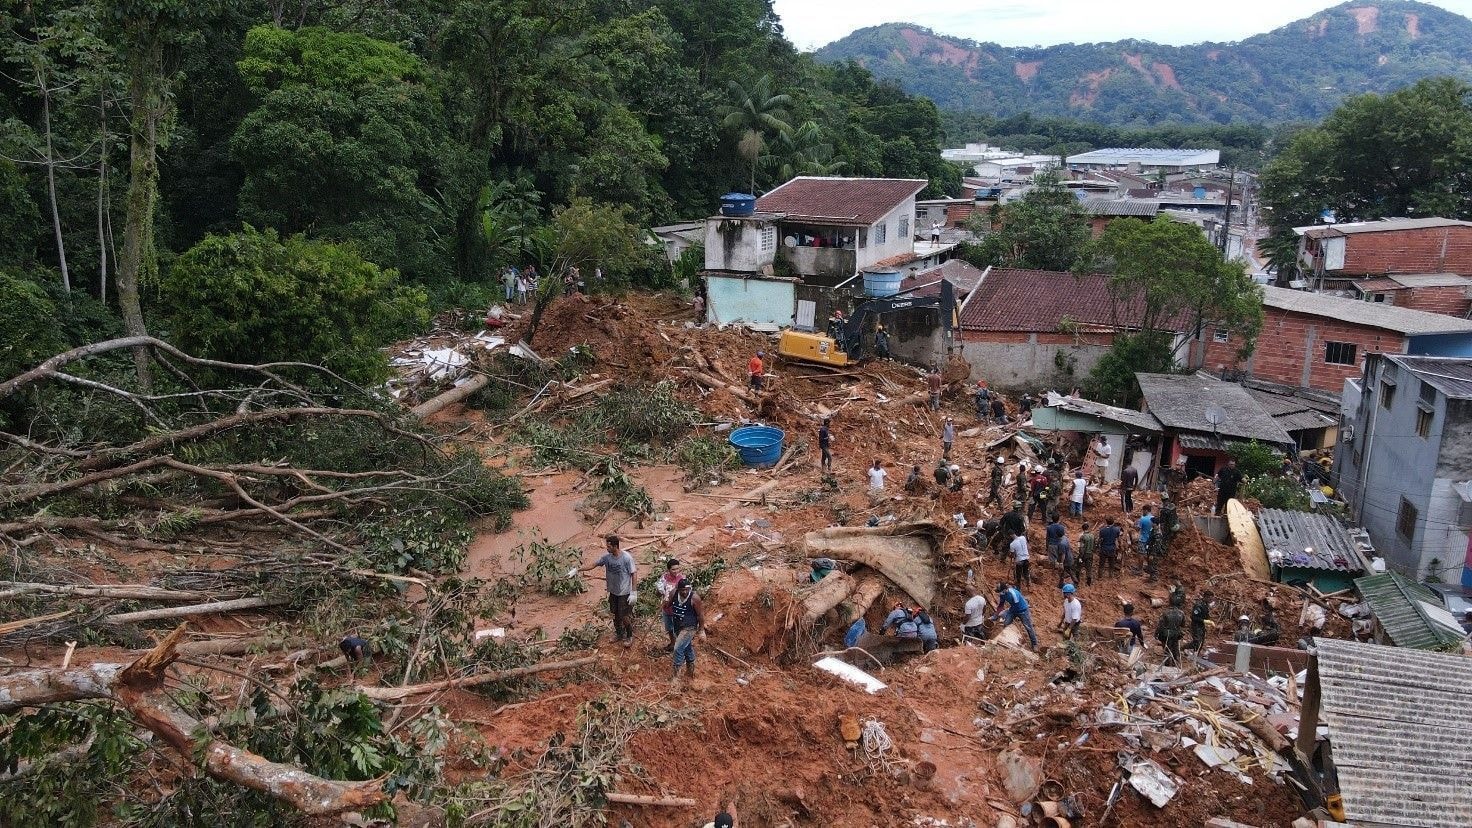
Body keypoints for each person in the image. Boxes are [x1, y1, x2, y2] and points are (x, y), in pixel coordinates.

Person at [582, 534, 637, 646]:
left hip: (624, 592)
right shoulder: (607, 558)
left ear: (615, 546)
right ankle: (619, 634)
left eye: (608, 546)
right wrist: (577, 570)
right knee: (615, 613)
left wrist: (634, 592)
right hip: (613, 591)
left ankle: (630, 636)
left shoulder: (626, 558)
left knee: (624, 615)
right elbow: (594, 564)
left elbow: (633, 573)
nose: (606, 548)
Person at [668, 578, 704, 683]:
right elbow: (668, 605)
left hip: (690, 627)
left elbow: (700, 615)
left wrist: (701, 630)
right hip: (677, 625)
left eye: (686, 590)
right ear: (678, 589)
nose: (684, 592)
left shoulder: (695, 598)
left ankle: (676, 676)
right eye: (682, 590)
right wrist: (665, 600)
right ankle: (690, 671)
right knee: (686, 646)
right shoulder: (674, 593)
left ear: (689, 588)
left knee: (678, 647)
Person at [991, 582, 1038, 649]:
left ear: (1004, 590)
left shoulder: (1014, 594)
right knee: (1006, 623)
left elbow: (1016, 606)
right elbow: (1001, 605)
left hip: (1022, 610)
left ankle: (1034, 644)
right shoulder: (1002, 594)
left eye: (1000, 592)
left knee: (1028, 627)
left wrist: (1009, 612)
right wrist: (996, 615)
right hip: (1013, 608)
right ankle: (1007, 637)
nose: (999, 593)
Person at [658, 559, 684, 652]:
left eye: (677, 569)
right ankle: (673, 644)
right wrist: (663, 595)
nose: (676, 571)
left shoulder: (682, 579)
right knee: (669, 628)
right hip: (666, 608)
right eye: (673, 569)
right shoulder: (664, 578)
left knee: (678, 628)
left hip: (677, 609)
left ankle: (679, 646)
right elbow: (660, 589)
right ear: (668, 570)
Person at [1156, 591, 1186, 666]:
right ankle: (1175, 665)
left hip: (1166, 635)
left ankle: (1167, 666)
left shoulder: (1165, 613)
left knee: (1167, 651)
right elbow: (1183, 625)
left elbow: (1160, 625)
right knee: (1175, 651)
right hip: (1176, 635)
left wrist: (1156, 634)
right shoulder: (1181, 613)